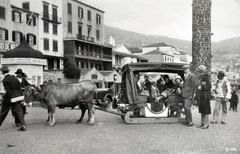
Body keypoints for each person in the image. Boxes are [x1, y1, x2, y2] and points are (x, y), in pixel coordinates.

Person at [0, 65, 26, 131]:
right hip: (17, 97)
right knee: (19, 111)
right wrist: (19, 95)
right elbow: (19, 87)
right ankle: (23, 125)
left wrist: (9, 97)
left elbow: (8, 90)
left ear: (3, 72)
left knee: (3, 112)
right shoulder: (14, 78)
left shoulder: (5, 80)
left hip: (10, 97)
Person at [195, 65, 211, 129]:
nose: (198, 72)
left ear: (201, 71)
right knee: (202, 110)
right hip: (202, 95)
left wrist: (202, 87)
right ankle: (202, 123)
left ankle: (206, 124)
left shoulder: (205, 77)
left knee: (206, 110)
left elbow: (209, 85)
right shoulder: (201, 77)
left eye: (199, 71)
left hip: (205, 96)